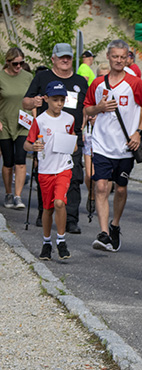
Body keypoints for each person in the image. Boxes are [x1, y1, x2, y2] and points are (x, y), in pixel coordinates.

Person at [84, 39, 142, 252]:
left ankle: (115, 225)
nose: (119, 60)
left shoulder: (134, 83)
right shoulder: (97, 84)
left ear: (127, 58)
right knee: (101, 186)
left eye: (123, 57)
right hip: (102, 143)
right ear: (108, 56)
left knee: (120, 188)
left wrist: (139, 133)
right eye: (115, 56)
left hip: (125, 146)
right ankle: (103, 233)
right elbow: (87, 110)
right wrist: (99, 107)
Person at [24, 43, 89, 234]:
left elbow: (86, 105)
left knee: (74, 176)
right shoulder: (42, 77)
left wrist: (88, 116)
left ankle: (71, 219)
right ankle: (44, 211)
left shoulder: (80, 81)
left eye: (68, 57)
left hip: (71, 133)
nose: (65, 60)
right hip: (47, 133)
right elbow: (25, 101)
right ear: (53, 58)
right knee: (45, 174)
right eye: (61, 57)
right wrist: (33, 102)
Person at [24, 81, 76, 261]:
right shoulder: (39, 120)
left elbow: (73, 144)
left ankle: (61, 240)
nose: (59, 104)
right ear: (46, 99)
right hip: (45, 169)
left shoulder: (69, 119)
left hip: (63, 167)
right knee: (47, 208)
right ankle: (47, 243)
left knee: (60, 202)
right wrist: (34, 146)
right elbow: (27, 144)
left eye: (62, 100)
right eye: (55, 100)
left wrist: (72, 145)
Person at [0, 48, 31, 210]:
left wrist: (35, 121)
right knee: (8, 161)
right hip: (4, 123)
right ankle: (8, 193)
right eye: (15, 63)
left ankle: (18, 196)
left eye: (21, 63)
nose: (19, 66)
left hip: (23, 124)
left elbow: (32, 100)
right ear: (8, 62)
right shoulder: (1, 77)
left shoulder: (28, 77)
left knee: (20, 160)